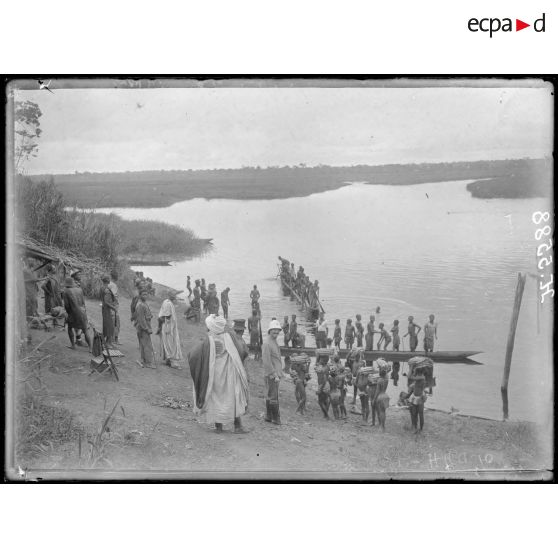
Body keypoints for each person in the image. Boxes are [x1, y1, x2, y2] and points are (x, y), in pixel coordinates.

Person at [189, 314, 250, 433]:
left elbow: (194, 355)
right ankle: (238, 426)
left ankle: (219, 427)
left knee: (216, 398)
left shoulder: (208, 341)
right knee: (232, 397)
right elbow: (242, 352)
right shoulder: (229, 337)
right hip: (229, 374)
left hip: (213, 374)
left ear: (211, 328)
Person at [261, 319, 284, 425]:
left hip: (275, 374)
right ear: (269, 331)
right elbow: (266, 361)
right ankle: (276, 418)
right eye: (274, 331)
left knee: (270, 395)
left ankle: (268, 416)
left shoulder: (273, 341)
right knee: (273, 396)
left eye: (277, 331)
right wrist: (274, 374)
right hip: (272, 375)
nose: (276, 333)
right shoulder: (267, 343)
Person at [62, 276, 92, 351]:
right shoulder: (79, 289)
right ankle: (90, 348)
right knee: (85, 330)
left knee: (69, 328)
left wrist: (68, 314)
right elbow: (83, 303)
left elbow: (67, 305)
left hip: (73, 313)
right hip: (82, 312)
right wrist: (84, 312)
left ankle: (73, 346)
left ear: (66, 284)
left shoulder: (66, 291)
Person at [157, 292, 183, 369]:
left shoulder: (167, 302)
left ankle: (168, 360)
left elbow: (162, 316)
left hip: (169, 326)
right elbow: (166, 316)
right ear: (170, 296)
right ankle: (173, 363)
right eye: (173, 296)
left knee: (168, 342)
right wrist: (164, 326)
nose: (174, 297)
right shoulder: (168, 304)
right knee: (171, 344)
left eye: (174, 295)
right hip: (168, 327)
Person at [135, 289, 156, 369]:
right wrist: (147, 329)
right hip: (143, 328)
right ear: (140, 295)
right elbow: (141, 319)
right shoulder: (140, 305)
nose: (145, 296)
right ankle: (148, 363)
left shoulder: (144, 303)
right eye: (143, 294)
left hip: (144, 326)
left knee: (144, 344)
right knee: (147, 345)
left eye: (146, 294)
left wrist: (150, 316)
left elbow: (146, 315)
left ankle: (144, 360)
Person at [372, 359, 391, 431]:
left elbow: (377, 391)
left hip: (380, 396)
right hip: (385, 395)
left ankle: (381, 426)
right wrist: (382, 367)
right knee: (384, 412)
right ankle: (383, 425)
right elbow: (386, 371)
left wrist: (374, 399)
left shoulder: (379, 380)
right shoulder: (386, 378)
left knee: (380, 412)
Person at [100, 275, 117, 348]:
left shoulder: (102, 288)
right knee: (109, 326)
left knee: (107, 325)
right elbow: (107, 301)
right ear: (108, 281)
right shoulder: (106, 289)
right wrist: (113, 307)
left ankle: (108, 342)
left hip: (104, 308)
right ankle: (107, 343)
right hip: (107, 309)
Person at [314, 350, 331, 419]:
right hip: (327, 384)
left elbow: (323, 380)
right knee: (325, 400)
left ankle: (326, 415)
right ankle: (325, 414)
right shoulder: (327, 366)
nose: (319, 360)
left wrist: (320, 389)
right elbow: (317, 362)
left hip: (323, 385)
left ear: (323, 360)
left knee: (320, 401)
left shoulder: (321, 369)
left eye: (320, 359)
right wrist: (318, 356)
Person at [108, 270, 121, 345]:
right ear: (116, 277)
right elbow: (114, 296)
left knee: (114, 323)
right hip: (113, 308)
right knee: (115, 324)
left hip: (111, 307)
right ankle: (113, 340)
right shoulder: (113, 285)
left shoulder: (109, 284)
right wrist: (115, 306)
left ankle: (114, 339)